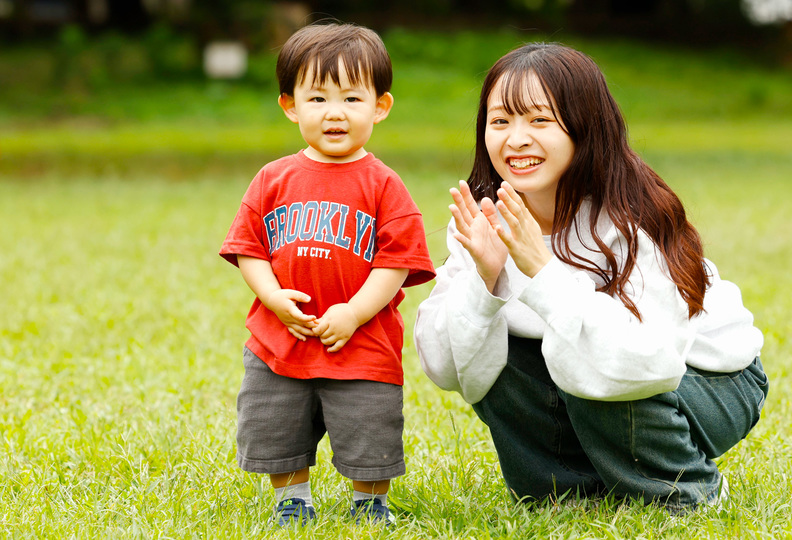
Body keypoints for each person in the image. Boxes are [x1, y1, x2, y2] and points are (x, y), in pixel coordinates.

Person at [414, 42, 768, 514]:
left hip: (709, 379)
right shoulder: (486, 219)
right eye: (500, 121)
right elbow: (450, 369)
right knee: (511, 354)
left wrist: (542, 271)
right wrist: (484, 280)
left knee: (589, 362)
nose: (516, 139)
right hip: (609, 377)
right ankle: (575, 490)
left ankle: (686, 489)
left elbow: (650, 361)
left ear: (584, 127)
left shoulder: (632, 218)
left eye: (539, 120)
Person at [220, 22, 435, 527]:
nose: (334, 112)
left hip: (361, 343)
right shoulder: (272, 178)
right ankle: (292, 498)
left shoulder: (384, 185)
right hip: (281, 338)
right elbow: (248, 248)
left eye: (352, 98)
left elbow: (396, 262)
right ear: (290, 106)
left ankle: (370, 502)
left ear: (380, 106)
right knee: (276, 421)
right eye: (317, 98)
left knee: (369, 425)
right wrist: (272, 298)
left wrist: (355, 313)